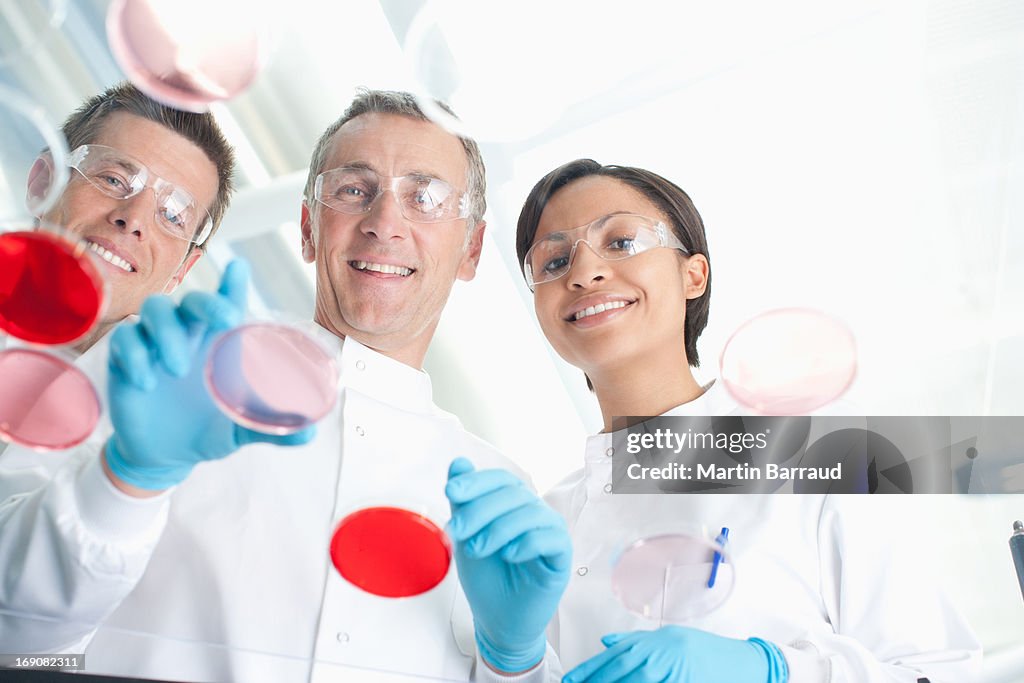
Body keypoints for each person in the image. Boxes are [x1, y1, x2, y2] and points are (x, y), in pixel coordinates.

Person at [0, 90, 570, 683]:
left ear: (471, 250)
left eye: (425, 199)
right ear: (307, 228)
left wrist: (515, 661)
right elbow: (13, 633)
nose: (384, 224)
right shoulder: (167, 365)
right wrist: (126, 481)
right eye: (354, 190)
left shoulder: (505, 494)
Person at [514, 158, 982, 682]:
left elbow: (940, 673)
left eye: (622, 242)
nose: (583, 273)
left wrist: (772, 670)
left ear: (693, 276)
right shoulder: (545, 521)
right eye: (553, 262)